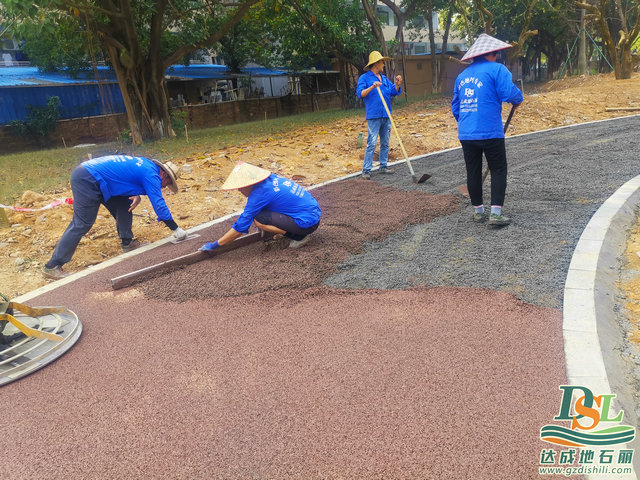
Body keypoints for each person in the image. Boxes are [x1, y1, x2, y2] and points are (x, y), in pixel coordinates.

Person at [43, 155, 187, 279]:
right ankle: (53, 265)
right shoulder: (152, 174)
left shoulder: (146, 166)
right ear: (164, 175)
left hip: (99, 178)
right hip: (87, 178)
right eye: (167, 183)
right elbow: (159, 205)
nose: (164, 187)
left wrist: (134, 193)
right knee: (82, 223)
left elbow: (123, 175)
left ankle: (127, 243)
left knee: (124, 204)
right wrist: (175, 229)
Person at [451, 33, 524, 227]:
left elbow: (456, 108)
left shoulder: (462, 76)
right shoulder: (497, 69)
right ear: (492, 53)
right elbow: (507, 92)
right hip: (490, 131)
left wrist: (468, 121)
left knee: (472, 171)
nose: (499, 55)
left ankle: (478, 212)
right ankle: (496, 214)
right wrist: (518, 99)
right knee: (499, 169)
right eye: (497, 53)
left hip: (467, 133)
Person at [200, 162, 321, 252]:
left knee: (259, 219)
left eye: (241, 187)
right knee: (262, 212)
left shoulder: (259, 195)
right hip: (313, 212)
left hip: (307, 223)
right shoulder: (271, 179)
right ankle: (290, 229)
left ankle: (299, 236)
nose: (239, 190)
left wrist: (215, 245)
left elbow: (240, 227)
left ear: (250, 184)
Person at [356, 50, 403, 180]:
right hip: (374, 116)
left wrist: (398, 85)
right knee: (371, 143)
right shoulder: (364, 78)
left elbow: (393, 92)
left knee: (385, 143)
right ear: (376, 63)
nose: (383, 64)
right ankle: (366, 169)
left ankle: (383, 166)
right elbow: (360, 94)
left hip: (386, 115)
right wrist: (372, 87)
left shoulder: (384, 79)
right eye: (382, 62)